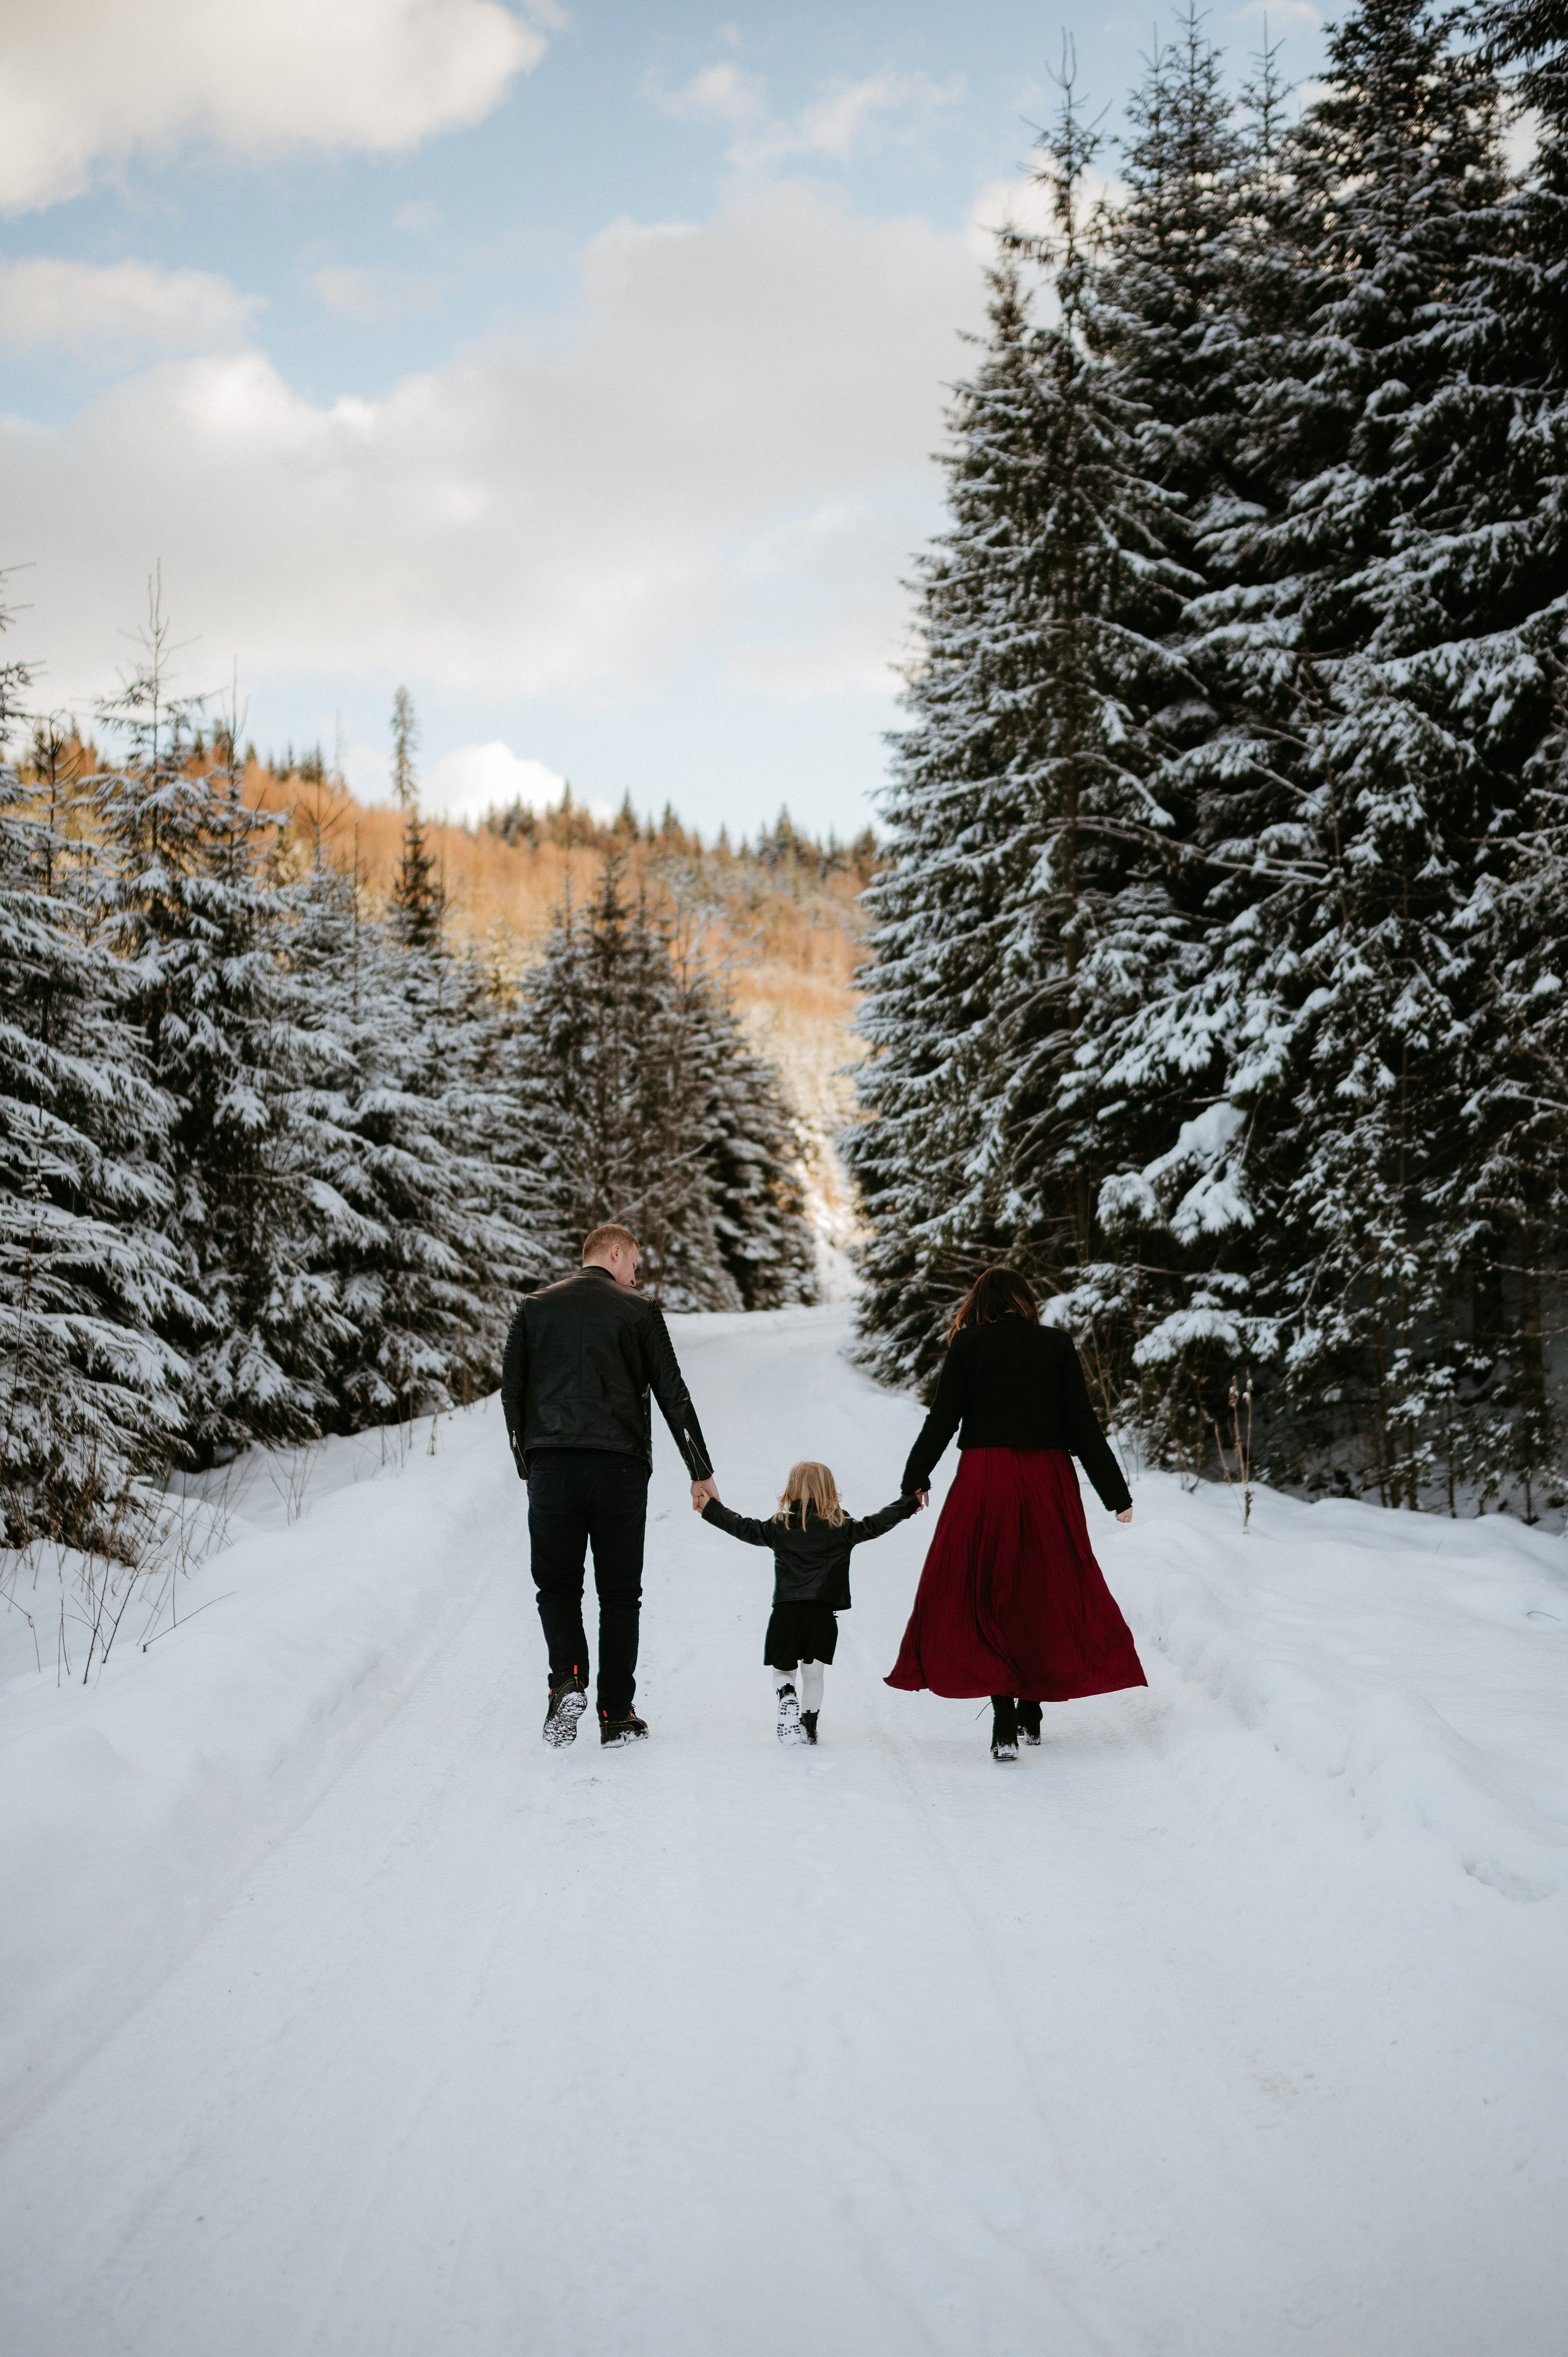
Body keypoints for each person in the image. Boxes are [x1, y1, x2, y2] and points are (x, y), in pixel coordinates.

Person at [886, 1266, 1145, 1761]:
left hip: (986, 1477)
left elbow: (942, 1418)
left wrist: (915, 1479)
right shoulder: (1055, 1344)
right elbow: (1082, 1421)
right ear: (1025, 1301)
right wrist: (1116, 1494)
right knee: (1041, 1586)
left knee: (986, 1588)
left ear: (980, 1303)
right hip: (1048, 1477)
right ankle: (1031, 1705)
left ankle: (1004, 1713)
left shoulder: (967, 1346)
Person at [501, 1222, 718, 1749]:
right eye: (635, 1265)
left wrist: (527, 1463)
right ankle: (616, 1714)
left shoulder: (533, 1308)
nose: (636, 1275)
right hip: (619, 1469)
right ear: (615, 1252)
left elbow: (512, 1393)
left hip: (552, 1465)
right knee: (620, 1594)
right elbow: (674, 1393)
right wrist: (700, 1470)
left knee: (556, 1587)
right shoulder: (639, 1310)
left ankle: (568, 1677)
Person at [699, 1460, 922, 1745]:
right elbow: (876, 1524)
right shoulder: (842, 1527)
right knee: (814, 1673)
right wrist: (908, 1504)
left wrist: (710, 1509)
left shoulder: (778, 1526)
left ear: (792, 1489)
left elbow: (743, 1527)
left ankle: (786, 1695)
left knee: (783, 1671)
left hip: (786, 1612)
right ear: (830, 1490)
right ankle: (809, 1726)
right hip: (822, 1614)